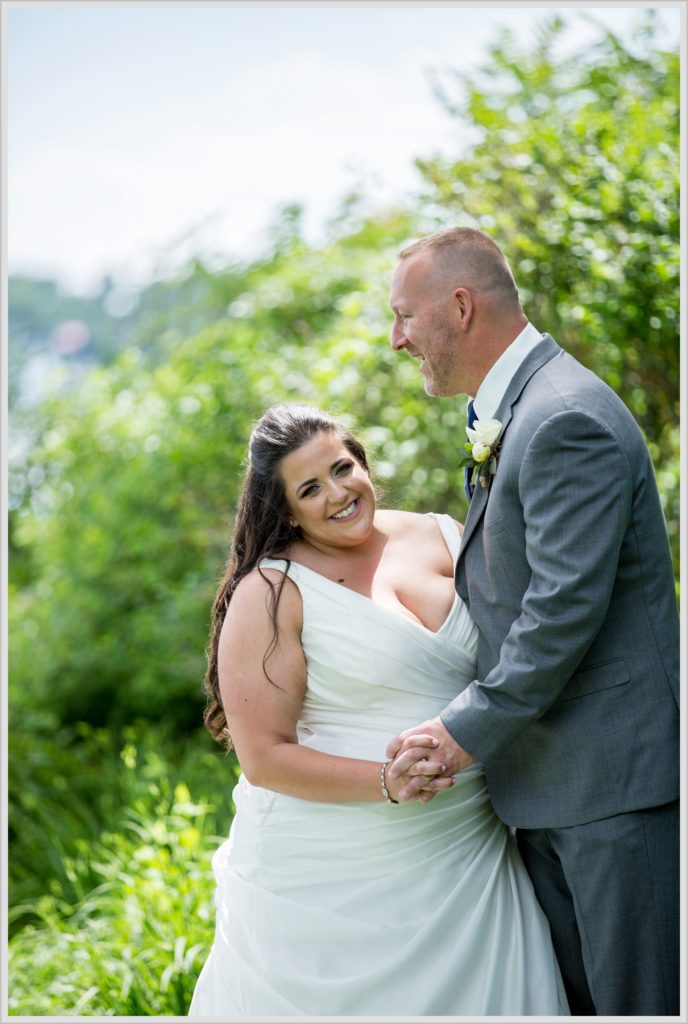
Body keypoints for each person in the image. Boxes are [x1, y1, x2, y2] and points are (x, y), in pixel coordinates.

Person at [189, 403, 569, 1017]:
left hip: (470, 848)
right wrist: (385, 782)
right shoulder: (272, 591)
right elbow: (264, 758)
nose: (338, 493)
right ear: (284, 510)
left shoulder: (442, 532)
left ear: (361, 460)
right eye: (310, 488)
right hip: (339, 873)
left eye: (343, 467)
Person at [386, 226, 680, 1016]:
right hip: (554, 785)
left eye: (404, 317)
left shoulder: (562, 417)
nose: (396, 339)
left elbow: (560, 612)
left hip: (612, 788)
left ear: (458, 305)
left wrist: (460, 730)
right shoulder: (517, 410)